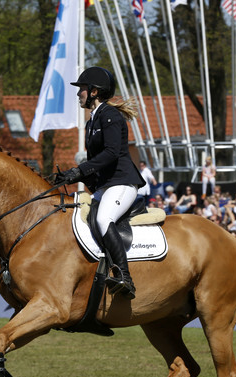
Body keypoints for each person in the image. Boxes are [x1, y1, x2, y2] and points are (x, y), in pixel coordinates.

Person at [49, 66, 145, 298]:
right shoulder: (91, 122)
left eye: (82, 88)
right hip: (105, 186)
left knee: (103, 219)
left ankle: (124, 276)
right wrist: (72, 176)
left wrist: (79, 170)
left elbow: (112, 153)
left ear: (94, 92)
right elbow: (96, 163)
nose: (79, 93)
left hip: (122, 183)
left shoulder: (110, 116)